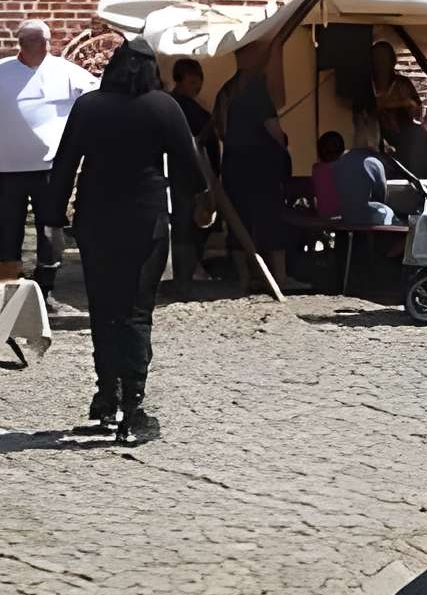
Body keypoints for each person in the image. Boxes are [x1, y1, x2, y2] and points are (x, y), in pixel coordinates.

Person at [47, 40, 209, 445]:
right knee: (136, 311)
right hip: (144, 219)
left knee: (104, 309)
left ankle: (107, 397)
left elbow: (64, 164)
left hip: (96, 219)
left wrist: (53, 217)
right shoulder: (164, 107)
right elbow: (189, 166)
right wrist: (200, 200)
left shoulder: (89, 107)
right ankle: (133, 410)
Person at [0, 20, 94, 287]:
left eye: (40, 41)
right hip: (11, 166)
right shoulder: (1, 71)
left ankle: (46, 281)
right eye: (30, 41)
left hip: (51, 165)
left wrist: (76, 126)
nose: (36, 46)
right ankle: (10, 274)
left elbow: (93, 92)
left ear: (48, 43)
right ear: (20, 44)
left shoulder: (64, 70)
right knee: (9, 223)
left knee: (50, 224)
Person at [216, 42, 295, 287]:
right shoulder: (256, 89)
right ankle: (280, 277)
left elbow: (221, 130)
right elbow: (274, 130)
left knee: (238, 220)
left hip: (233, 164)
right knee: (270, 219)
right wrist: (283, 146)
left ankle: (244, 278)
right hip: (260, 168)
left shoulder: (226, 89)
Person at [165, 58, 225, 283]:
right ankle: (185, 271)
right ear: (179, 80)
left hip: (198, 174)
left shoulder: (191, 109)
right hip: (182, 175)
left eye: (199, 82)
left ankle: (190, 268)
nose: (197, 87)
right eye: (192, 82)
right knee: (185, 224)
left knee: (197, 223)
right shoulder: (174, 107)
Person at [333, 128, 396, 227]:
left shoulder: (340, 161)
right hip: (367, 217)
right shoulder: (374, 162)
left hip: (346, 216)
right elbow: (382, 196)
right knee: (389, 212)